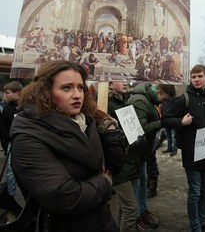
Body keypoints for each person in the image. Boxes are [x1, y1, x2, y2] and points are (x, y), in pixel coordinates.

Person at [10, 60, 125, 231]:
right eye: (66, 88)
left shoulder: (88, 121)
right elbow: (65, 198)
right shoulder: (29, 136)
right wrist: (106, 182)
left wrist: (111, 134)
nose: (77, 95)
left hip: (102, 221)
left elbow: (113, 167)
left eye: (80, 87)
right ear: (45, 92)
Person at [162, 65, 205, 232]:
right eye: (193, 77)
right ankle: (196, 227)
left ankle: (203, 223)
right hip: (192, 154)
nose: (197, 79)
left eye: (200, 76)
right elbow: (165, 119)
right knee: (195, 192)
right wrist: (181, 122)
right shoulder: (184, 98)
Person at [125, 82, 176, 229]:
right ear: (158, 92)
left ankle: (142, 210)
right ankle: (134, 218)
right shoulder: (140, 101)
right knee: (136, 185)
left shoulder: (150, 100)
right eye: (165, 99)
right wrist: (161, 123)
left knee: (143, 181)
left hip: (144, 152)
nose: (164, 103)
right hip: (136, 153)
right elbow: (139, 129)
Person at [107, 81, 149, 232]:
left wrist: (139, 136)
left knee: (123, 207)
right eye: (120, 79)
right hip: (119, 164)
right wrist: (129, 141)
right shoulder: (106, 104)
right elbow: (108, 137)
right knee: (131, 209)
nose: (125, 82)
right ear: (110, 84)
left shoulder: (124, 102)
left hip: (130, 161)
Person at [0, 81, 23, 221]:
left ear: (17, 93)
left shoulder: (24, 108)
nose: (6, 95)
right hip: (11, 143)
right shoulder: (8, 108)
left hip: (19, 143)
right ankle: (10, 196)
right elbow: (4, 129)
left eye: (8, 92)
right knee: (10, 170)